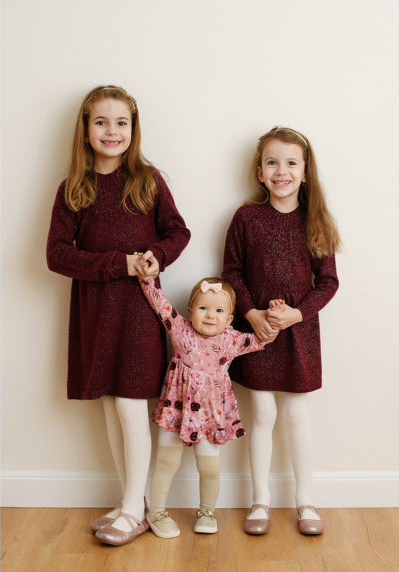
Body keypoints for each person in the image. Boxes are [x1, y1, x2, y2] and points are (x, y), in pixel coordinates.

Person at [46, 85, 190, 546]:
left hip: (140, 314)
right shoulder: (73, 189)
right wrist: (118, 263)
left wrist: (154, 254)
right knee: (111, 405)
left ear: (134, 128)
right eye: (102, 122)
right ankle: (132, 500)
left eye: (121, 122)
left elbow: (178, 231)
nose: (112, 131)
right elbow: (57, 255)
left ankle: (134, 508)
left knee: (131, 405)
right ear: (86, 130)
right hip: (95, 314)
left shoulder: (149, 180)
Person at [223, 126, 340, 536]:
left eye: (291, 163)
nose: (281, 171)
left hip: (297, 335)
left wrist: (297, 315)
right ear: (259, 171)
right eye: (272, 162)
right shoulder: (246, 217)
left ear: (305, 172)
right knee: (262, 414)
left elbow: (328, 282)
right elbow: (232, 273)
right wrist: (253, 314)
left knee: (295, 416)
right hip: (257, 334)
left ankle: (305, 500)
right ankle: (260, 500)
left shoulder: (316, 222)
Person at [140, 277, 272, 538]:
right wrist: (147, 279)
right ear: (190, 312)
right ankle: (155, 511)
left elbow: (262, 339)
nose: (211, 315)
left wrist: (274, 317)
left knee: (209, 468)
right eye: (203, 308)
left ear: (230, 319)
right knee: (166, 462)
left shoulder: (231, 340)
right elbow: (160, 304)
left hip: (211, 417)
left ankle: (207, 511)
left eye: (219, 311)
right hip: (175, 412)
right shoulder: (180, 329)